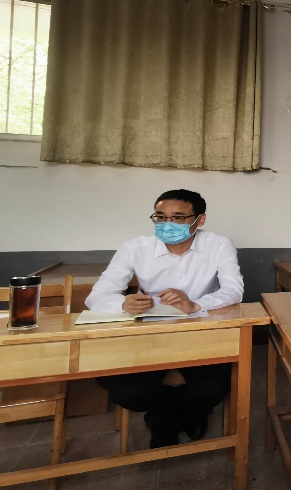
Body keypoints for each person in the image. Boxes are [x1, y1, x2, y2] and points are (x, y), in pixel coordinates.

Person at [85, 189, 244, 448]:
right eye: (160, 217)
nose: (167, 224)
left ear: (200, 220)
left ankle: (162, 423)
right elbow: (97, 296)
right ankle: (186, 413)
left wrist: (196, 304)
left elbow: (234, 290)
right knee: (127, 392)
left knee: (213, 388)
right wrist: (122, 303)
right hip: (149, 335)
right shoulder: (135, 248)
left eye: (178, 218)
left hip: (200, 333)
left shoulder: (218, 245)